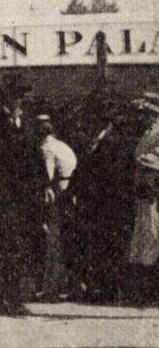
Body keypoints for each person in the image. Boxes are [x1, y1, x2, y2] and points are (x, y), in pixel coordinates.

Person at [0, 73, 48, 317]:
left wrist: (43, 185)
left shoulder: (24, 123)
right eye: (17, 96)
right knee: (1, 246)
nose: (20, 101)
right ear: (7, 96)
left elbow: (36, 156)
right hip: (1, 194)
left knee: (15, 246)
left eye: (22, 97)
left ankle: (12, 298)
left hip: (23, 195)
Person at [72, 100, 153, 303]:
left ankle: (110, 290)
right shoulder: (117, 141)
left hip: (112, 200)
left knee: (114, 246)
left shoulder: (115, 142)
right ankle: (110, 290)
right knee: (112, 246)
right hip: (109, 201)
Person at [38, 114, 78, 301]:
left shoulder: (47, 149)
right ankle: (68, 286)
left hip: (58, 195)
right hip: (71, 194)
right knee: (66, 241)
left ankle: (51, 289)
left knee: (54, 242)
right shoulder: (64, 146)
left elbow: (47, 175)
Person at [127, 92, 159, 303]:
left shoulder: (157, 133)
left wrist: (143, 163)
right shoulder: (149, 132)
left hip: (154, 191)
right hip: (145, 192)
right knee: (146, 237)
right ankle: (146, 290)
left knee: (153, 236)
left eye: (147, 113)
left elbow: (153, 158)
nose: (143, 118)